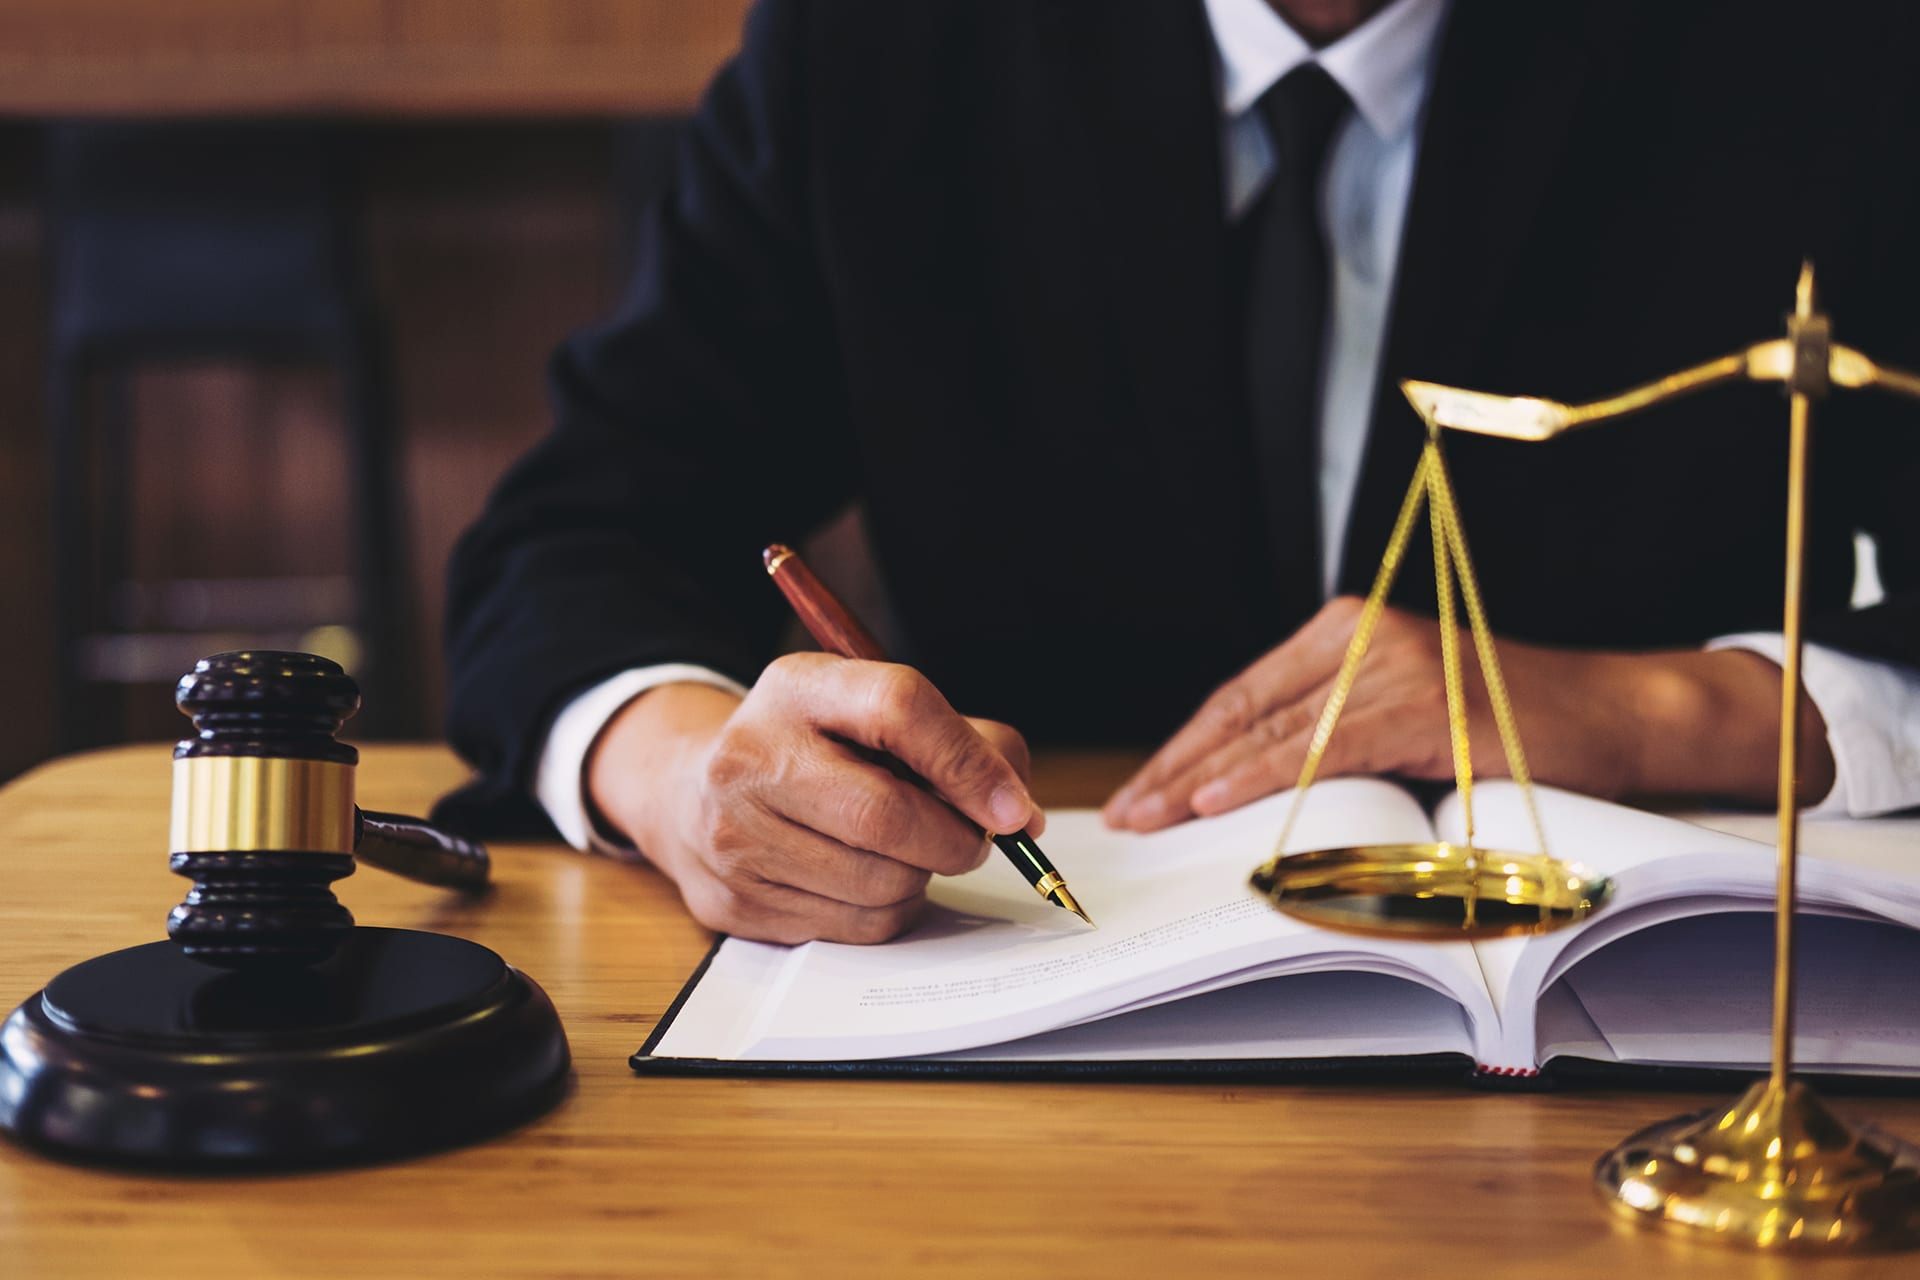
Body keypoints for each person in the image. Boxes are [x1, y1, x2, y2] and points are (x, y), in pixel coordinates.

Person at [439, 0, 1920, 945]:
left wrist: (1649, 709)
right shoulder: (876, 44)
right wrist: (685, 772)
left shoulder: (1824, 51)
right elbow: (565, 546)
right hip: (1021, 1021)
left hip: (1630, 1022)